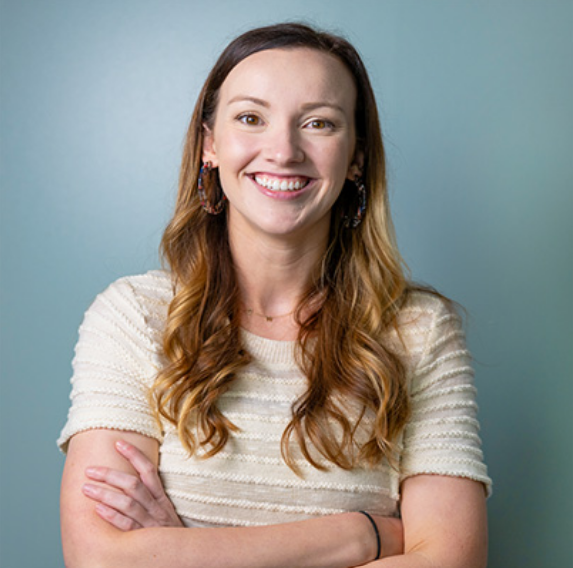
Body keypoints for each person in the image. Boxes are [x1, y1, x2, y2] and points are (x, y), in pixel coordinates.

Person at [58, 22, 491, 568]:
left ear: (356, 156)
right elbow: (101, 561)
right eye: (250, 118)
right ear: (210, 145)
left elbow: (451, 562)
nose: (283, 150)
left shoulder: (419, 330)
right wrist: (360, 536)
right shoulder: (134, 318)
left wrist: (182, 553)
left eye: (319, 123)